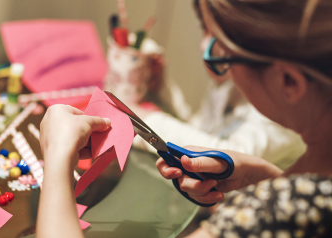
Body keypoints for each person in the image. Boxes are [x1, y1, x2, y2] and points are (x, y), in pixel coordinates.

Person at [37, 0, 332, 237]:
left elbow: (285, 210)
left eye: (224, 55)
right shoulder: (306, 195)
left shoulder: (273, 213)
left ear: (289, 82)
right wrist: (266, 180)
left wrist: (58, 157)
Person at [131, 17, 306, 171]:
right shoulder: (228, 84)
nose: (203, 46)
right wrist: (161, 88)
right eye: (205, 29)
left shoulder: (284, 105)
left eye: (219, 33)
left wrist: (149, 120)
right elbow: (201, 132)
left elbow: (230, 157)